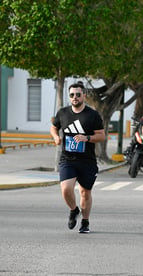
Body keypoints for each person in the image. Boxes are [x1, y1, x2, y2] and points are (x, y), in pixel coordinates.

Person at [50, 81, 105, 233]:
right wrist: (55, 137)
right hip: (68, 159)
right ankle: (74, 210)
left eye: (78, 95)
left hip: (87, 160)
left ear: (84, 96)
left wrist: (87, 138)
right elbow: (54, 127)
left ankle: (85, 222)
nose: (75, 97)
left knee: (85, 192)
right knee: (66, 189)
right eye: (72, 95)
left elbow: (101, 135)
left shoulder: (92, 115)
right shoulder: (63, 113)